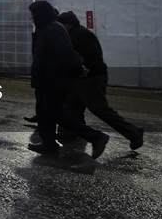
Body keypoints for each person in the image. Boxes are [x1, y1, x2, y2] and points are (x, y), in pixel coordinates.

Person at [27, 1, 110, 158]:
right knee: (44, 112)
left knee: (54, 113)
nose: (30, 18)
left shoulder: (52, 29)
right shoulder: (47, 28)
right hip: (47, 78)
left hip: (54, 80)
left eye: (32, 15)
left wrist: (78, 66)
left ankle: (96, 137)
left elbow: (65, 51)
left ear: (40, 14)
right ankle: (49, 144)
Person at [56, 11, 144, 150]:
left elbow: (89, 57)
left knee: (99, 108)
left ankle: (133, 132)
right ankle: (67, 132)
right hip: (80, 77)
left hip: (90, 78)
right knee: (70, 106)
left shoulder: (81, 35)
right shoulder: (74, 34)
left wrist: (77, 68)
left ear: (67, 24)